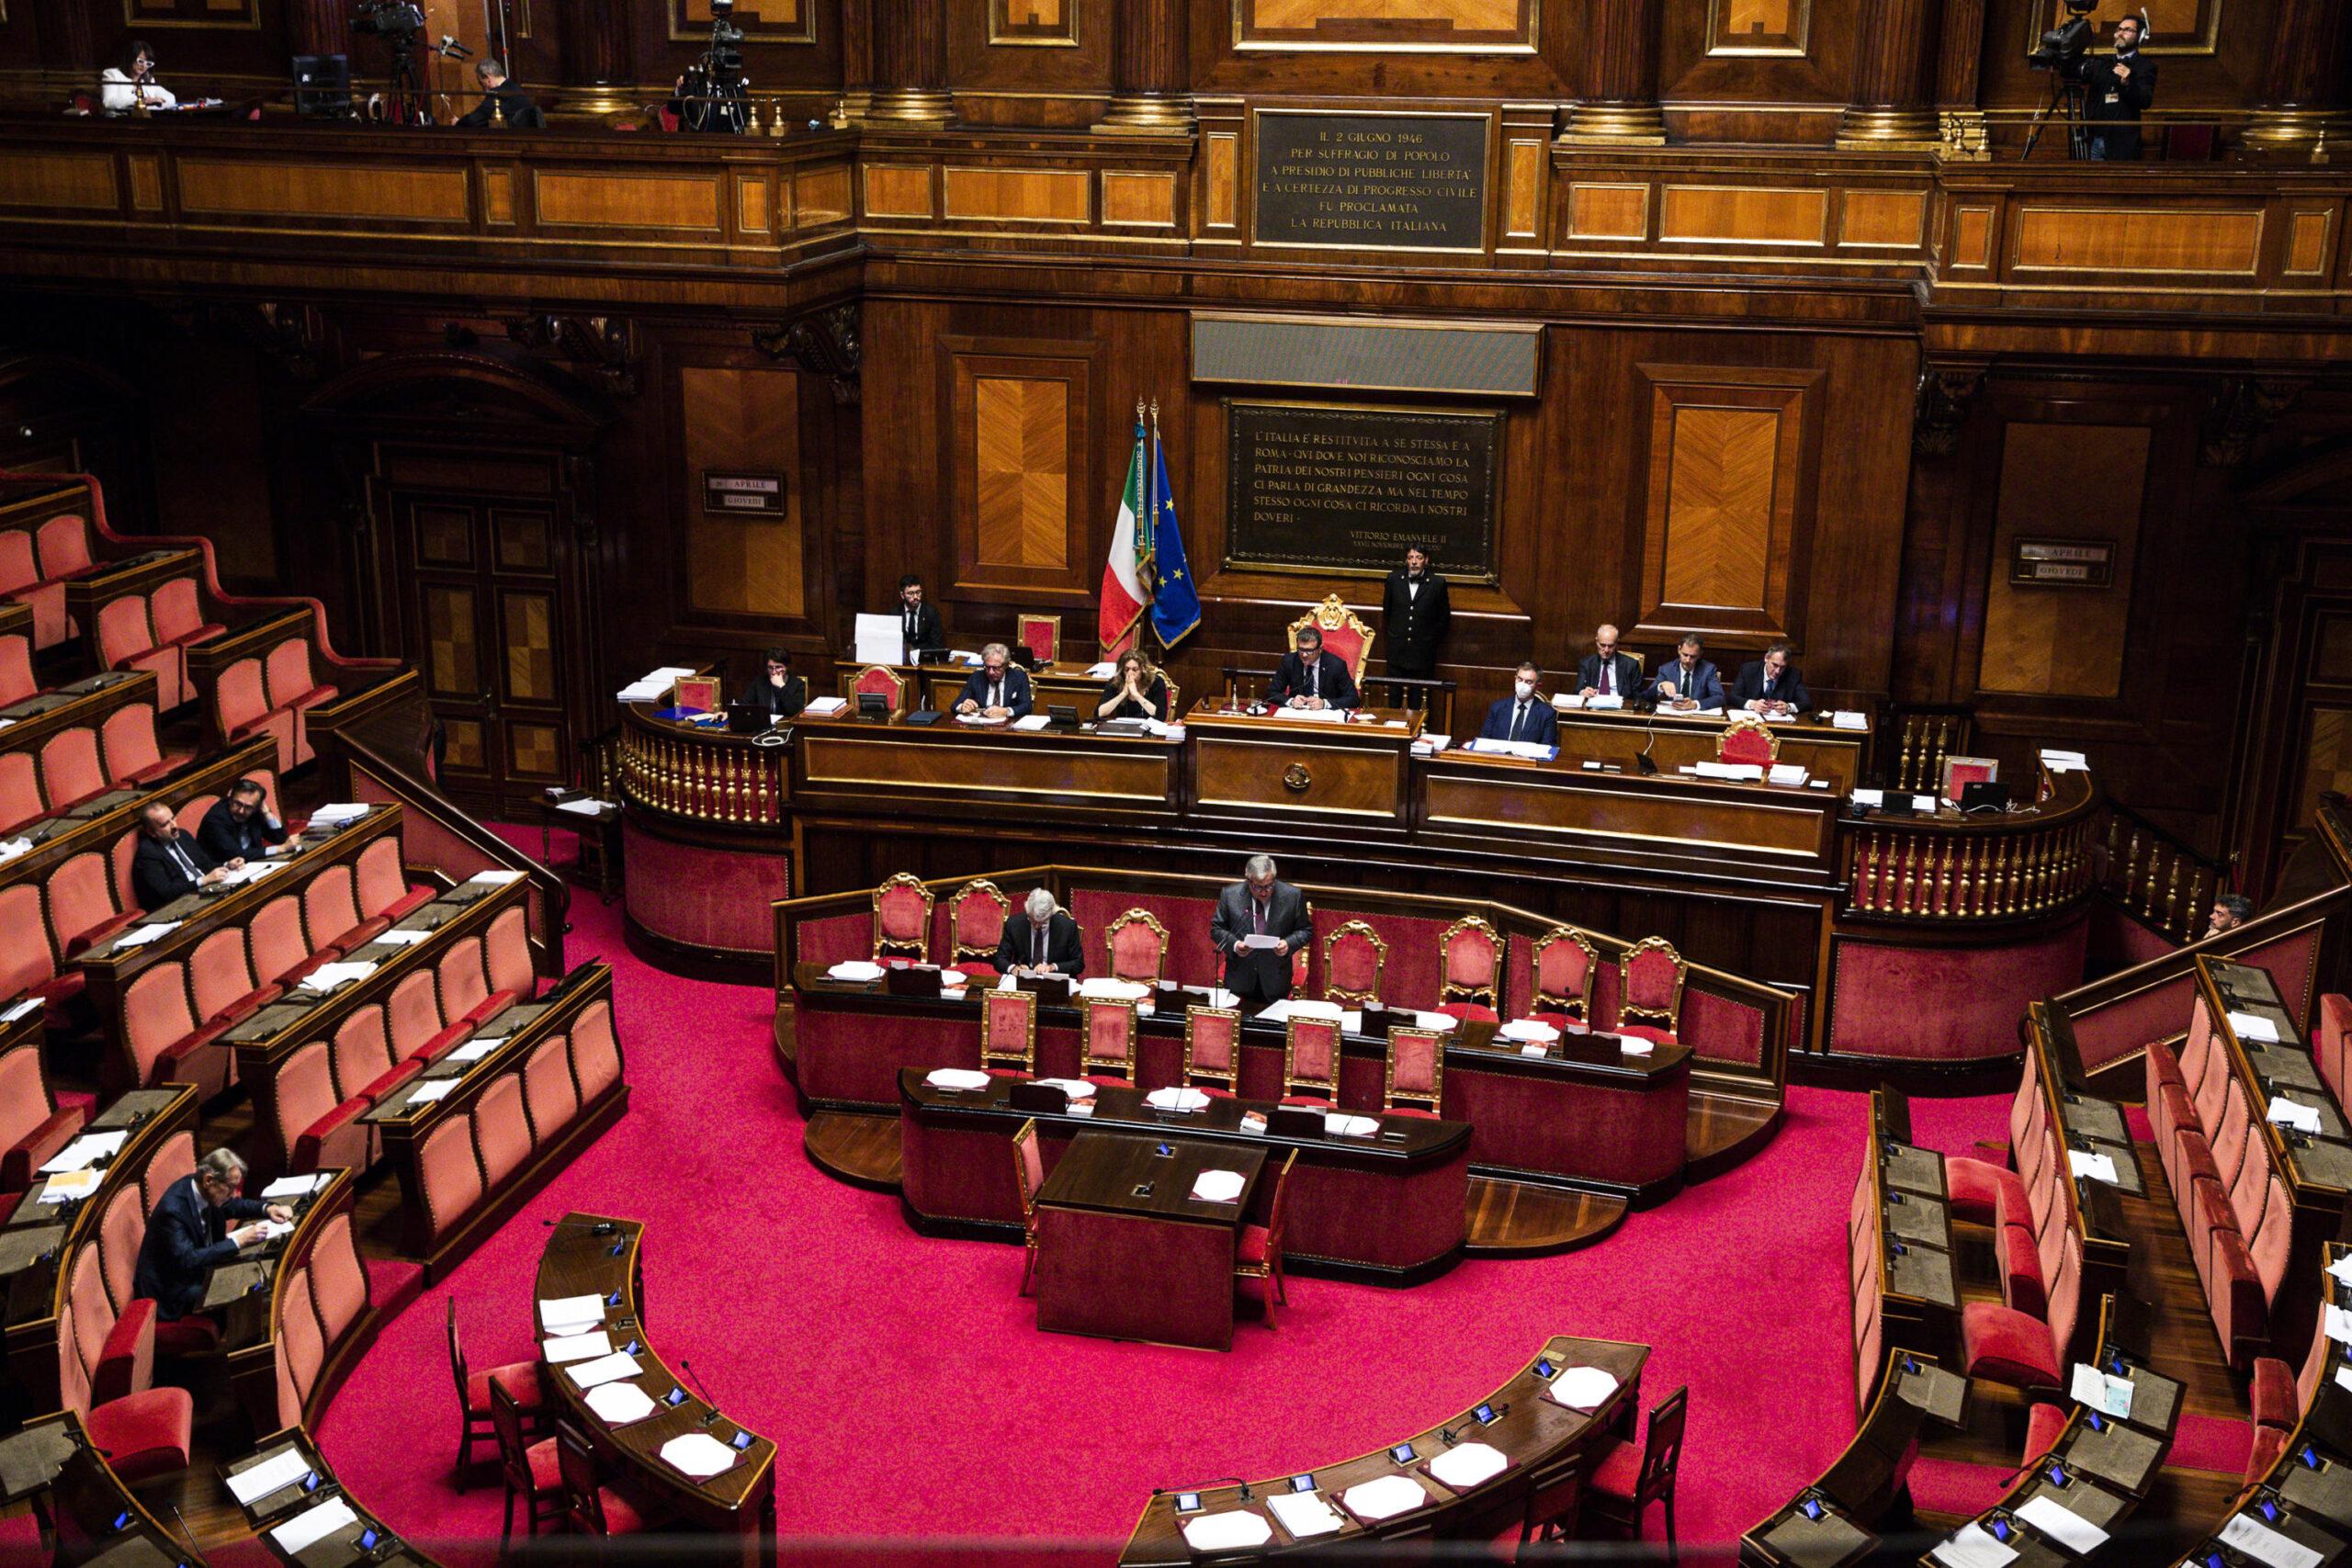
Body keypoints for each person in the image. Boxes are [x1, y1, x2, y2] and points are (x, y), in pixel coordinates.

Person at [132, 1148, 289, 1322]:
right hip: (174, 1289)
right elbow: (189, 1259)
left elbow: (232, 1205)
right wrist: (239, 1241)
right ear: (209, 1180)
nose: (233, 1193)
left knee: (259, 1275)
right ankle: (249, 1343)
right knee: (246, 1289)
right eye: (230, 1188)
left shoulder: (205, 1190)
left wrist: (267, 1208)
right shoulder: (173, 1211)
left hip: (200, 1268)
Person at [1211, 854, 1312, 1005]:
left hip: (1275, 981)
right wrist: (1235, 945)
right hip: (1239, 980)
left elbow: (1305, 930)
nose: (1264, 892)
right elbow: (1217, 929)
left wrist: (1288, 943)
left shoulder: (1293, 896)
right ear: (1248, 880)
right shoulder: (1230, 895)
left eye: (1269, 886)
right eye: (1258, 887)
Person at [2076, 14, 2154, 162]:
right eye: (2119, 29)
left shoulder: (2145, 67)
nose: (2120, 33)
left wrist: (2128, 84)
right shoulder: (2102, 63)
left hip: (2122, 144)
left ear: (2140, 36)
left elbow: (2145, 101)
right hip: (2094, 139)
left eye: (2127, 30)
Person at [132, 801, 233, 911]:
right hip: (181, 904)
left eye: (173, 818)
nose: (174, 826)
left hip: (208, 891)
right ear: (152, 833)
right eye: (165, 824)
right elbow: (167, 892)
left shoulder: (183, 836)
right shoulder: (148, 853)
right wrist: (204, 880)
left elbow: (205, 864)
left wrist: (227, 864)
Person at [1380, 545, 1452, 691]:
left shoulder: (1437, 584)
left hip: (1423, 655)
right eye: (1410, 558)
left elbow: (1443, 619)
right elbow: (1387, 612)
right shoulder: (1393, 579)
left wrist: (1428, 640)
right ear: (1406, 560)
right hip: (1396, 653)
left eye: (1418, 558)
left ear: (1426, 560)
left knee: (1418, 703)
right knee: (1394, 700)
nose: (1414, 562)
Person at [994, 887, 1085, 976]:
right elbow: (999, 959)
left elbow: (1078, 964)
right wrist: (1013, 968)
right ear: (1028, 910)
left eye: (1042, 922)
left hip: (1055, 982)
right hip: (1023, 981)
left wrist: (1052, 967)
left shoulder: (1067, 927)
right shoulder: (1014, 924)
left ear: (1051, 914)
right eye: (1033, 920)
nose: (1036, 926)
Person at [197, 778, 289, 865]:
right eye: (237, 804)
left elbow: (281, 838)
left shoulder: (255, 812)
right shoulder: (216, 819)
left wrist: (267, 813)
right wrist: (280, 849)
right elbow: (237, 854)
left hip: (253, 863)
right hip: (223, 869)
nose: (241, 811)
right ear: (230, 799)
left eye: (248, 807)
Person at [1268, 626, 1358, 712]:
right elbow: (1272, 692)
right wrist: (1291, 701)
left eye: (1309, 651)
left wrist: (1324, 703)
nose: (1304, 655)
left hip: (1326, 714)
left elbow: (1353, 699)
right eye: (1301, 649)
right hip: (1296, 714)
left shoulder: (1336, 665)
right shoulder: (1289, 661)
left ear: (1320, 649)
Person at [1479, 663, 1560, 747]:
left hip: (1528, 758)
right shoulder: (1497, 708)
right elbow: (1484, 740)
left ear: (1538, 686)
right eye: (1520, 679)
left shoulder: (1547, 714)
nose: (1522, 685)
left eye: (1529, 682)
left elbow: (1548, 748)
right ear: (1515, 679)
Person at [456, 58, 544, 129]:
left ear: (488, 79)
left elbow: (474, 120)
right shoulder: (514, 87)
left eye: (481, 83)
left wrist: (458, 122)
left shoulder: (498, 94)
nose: (483, 89)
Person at [1730, 641, 1812, 716]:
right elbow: (1732, 697)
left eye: (1782, 667)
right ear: (1766, 658)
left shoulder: (1793, 675)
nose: (1777, 671)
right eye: (1775, 665)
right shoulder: (1749, 669)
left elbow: (1807, 703)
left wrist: (1788, 707)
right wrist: (1752, 704)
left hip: (1779, 724)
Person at [954, 643, 1032, 721]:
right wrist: (962, 707)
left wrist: (1006, 711)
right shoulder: (976, 677)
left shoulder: (1019, 677)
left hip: (1008, 725)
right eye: (987, 667)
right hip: (982, 725)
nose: (991, 672)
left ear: (1006, 665)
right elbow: (954, 706)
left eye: (996, 668)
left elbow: (1027, 707)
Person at [1648, 634, 1724, 712]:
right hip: (1672, 717)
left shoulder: (1708, 670)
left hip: (1697, 719)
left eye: (1692, 656)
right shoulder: (1666, 669)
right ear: (1679, 650)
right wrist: (1660, 687)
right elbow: (1647, 696)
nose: (1688, 660)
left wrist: (1695, 704)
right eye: (1685, 655)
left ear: (1700, 654)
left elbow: (1719, 697)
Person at [99, 39, 175, 115]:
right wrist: (139, 101)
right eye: (141, 61)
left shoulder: (148, 78)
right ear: (130, 58)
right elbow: (108, 102)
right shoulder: (112, 74)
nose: (144, 66)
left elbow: (171, 98)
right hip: (119, 121)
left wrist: (158, 101)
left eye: (148, 63)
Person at [1095, 649, 1170, 722]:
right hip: (1123, 729)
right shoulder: (1115, 682)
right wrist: (1123, 694)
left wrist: (1136, 695)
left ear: (1143, 669)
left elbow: (1161, 716)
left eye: (1135, 669)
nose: (1130, 673)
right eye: (1126, 669)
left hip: (1149, 729)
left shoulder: (1156, 682)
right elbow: (1100, 713)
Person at [739, 648, 808, 720]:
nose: (774, 672)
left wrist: (782, 687)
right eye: (770, 667)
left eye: (778, 667)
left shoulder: (798, 684)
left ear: (787, 667)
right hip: (763, 725)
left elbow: (796, 712)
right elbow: (744, 705)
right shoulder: (759, 682)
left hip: (787, 726)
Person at [1577, 625, 1642, 701]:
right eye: (1602, 645)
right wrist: (1583, 692)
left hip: (1620, 708)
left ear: (1617, 643)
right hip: (1593, 706)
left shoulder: (1631, 665)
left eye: (1611, 646)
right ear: (1596, 641)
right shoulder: (1586, 663)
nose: (1606, 650)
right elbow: (1578, 689)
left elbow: (1638, 695)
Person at [894, 574, 944, 661]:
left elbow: (936, 646)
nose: (916, 597)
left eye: (918, 592)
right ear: (902, 595)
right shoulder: (895, 614)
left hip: (925, 660)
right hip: (901, 660)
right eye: (910, 593)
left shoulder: (931, 613)